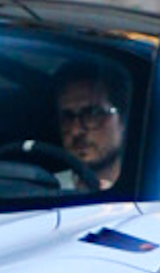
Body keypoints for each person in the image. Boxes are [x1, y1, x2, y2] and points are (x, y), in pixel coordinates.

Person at [52, 64, 128, 193]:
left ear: (123, 120)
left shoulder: (155, 189)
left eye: (92, 114)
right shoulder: (49, 190)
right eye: (68, 117)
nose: (75, 130)